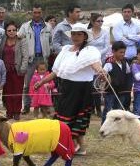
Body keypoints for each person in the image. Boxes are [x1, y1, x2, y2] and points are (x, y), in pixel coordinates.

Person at [33, 23, 104, 155]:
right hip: (66, 88)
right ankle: (76, 147)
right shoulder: (65, 50)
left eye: (79, 34)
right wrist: (42, 82)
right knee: (65, 118)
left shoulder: (89, 51)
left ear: (84, 36)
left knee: (76, 120)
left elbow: (96, 65)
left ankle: (75, 146)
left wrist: (102, 72)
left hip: (82, 90)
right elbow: (56, 72)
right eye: (73, 34)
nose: (76, 37)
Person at [18, 4, 52, 114]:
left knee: (45, 82)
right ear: (31, 13)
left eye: (39, 12)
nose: (37, 15)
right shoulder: (25, 26)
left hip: (43, 59)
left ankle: (44, 106)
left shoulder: (48, 26)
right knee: (27, 84)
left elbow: (51, 42)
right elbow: (20, 40)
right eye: (35, 12)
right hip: (30, 59)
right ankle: (27, 106)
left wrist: (48, 51)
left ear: (42, 13)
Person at [0, 21, 28, 120]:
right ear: (6, 31)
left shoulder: (22, 40)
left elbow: (25, 56)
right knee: (7, 92)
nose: (11, 32)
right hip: (5, 70)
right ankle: (9, 111)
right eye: (9, 30)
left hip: (18, 70)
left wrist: (23, 69)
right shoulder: (3, 40)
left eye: (14, 30)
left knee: (17, 92)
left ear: (17, 30)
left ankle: (16, 111)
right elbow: (0, 54)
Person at [101, 41, 133, 123]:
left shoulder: (125, 62)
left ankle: (115, 127)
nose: (123, 54)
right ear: (113, 51)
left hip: (121, 91)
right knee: (108, 110)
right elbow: (103, 74)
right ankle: (103, 125)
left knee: (118, 111)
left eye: (124, 52)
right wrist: (103, 75)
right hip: (110, 91)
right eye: (120, 52)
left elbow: (128, 73)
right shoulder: (109, 63)